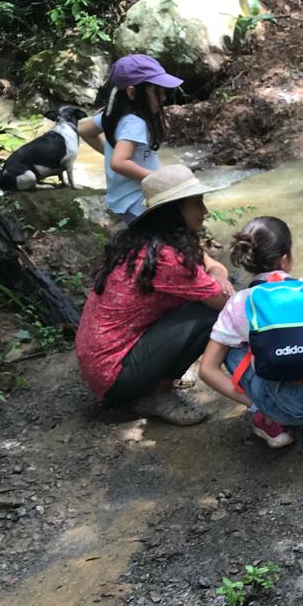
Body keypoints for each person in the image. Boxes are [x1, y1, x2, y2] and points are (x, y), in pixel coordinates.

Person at [75, 165, 233, 424]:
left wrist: (220, 275)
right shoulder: (166, 257)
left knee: (205, 301)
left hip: (102, 364)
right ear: (174, 210)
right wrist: (220, 280)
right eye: (196, 203)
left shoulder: (146, 241)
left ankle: (153, 384)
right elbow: (225, 303)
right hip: (116, 374)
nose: (204, 210)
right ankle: (156, 394)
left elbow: (214, 266)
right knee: (210, 313)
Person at [199, 216, 303, 449]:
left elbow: (207, 369)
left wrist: (256, 402)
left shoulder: (240, 303)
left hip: (279, 407)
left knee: (230, 346)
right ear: (286, 259)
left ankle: (271, 423)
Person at [78, 54, 182, 223]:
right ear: (132, 92)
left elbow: (83, 130)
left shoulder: (113, 115)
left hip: (120, 200)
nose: (163, 98)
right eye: (158, 92)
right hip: (136, 204)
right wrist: (156, 178)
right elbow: (119, 163)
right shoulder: (135, 123)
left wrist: (111, 152)